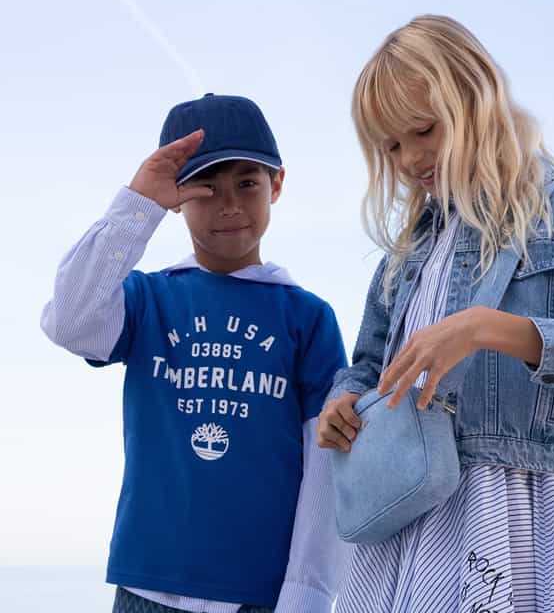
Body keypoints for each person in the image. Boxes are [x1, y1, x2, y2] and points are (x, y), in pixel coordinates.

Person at [317, 15, 554, 613]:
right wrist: (343, 402)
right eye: (391, 146)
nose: (409, 159)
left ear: (477, 99)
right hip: (400, 515)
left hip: (507, 511)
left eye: (424, 130)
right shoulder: (404, 254)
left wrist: (490, 329)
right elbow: (365, 366)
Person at [41, 93, 347, 613]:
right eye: (205, 188)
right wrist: (138, 205)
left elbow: (327, 467)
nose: (228, 205)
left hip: (258, 596)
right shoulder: (147, 299)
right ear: (178, 197)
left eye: (246, 184)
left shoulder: (307, 317)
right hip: (145, 588)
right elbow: (69, 320)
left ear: (276, 184)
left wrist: (307, 597)